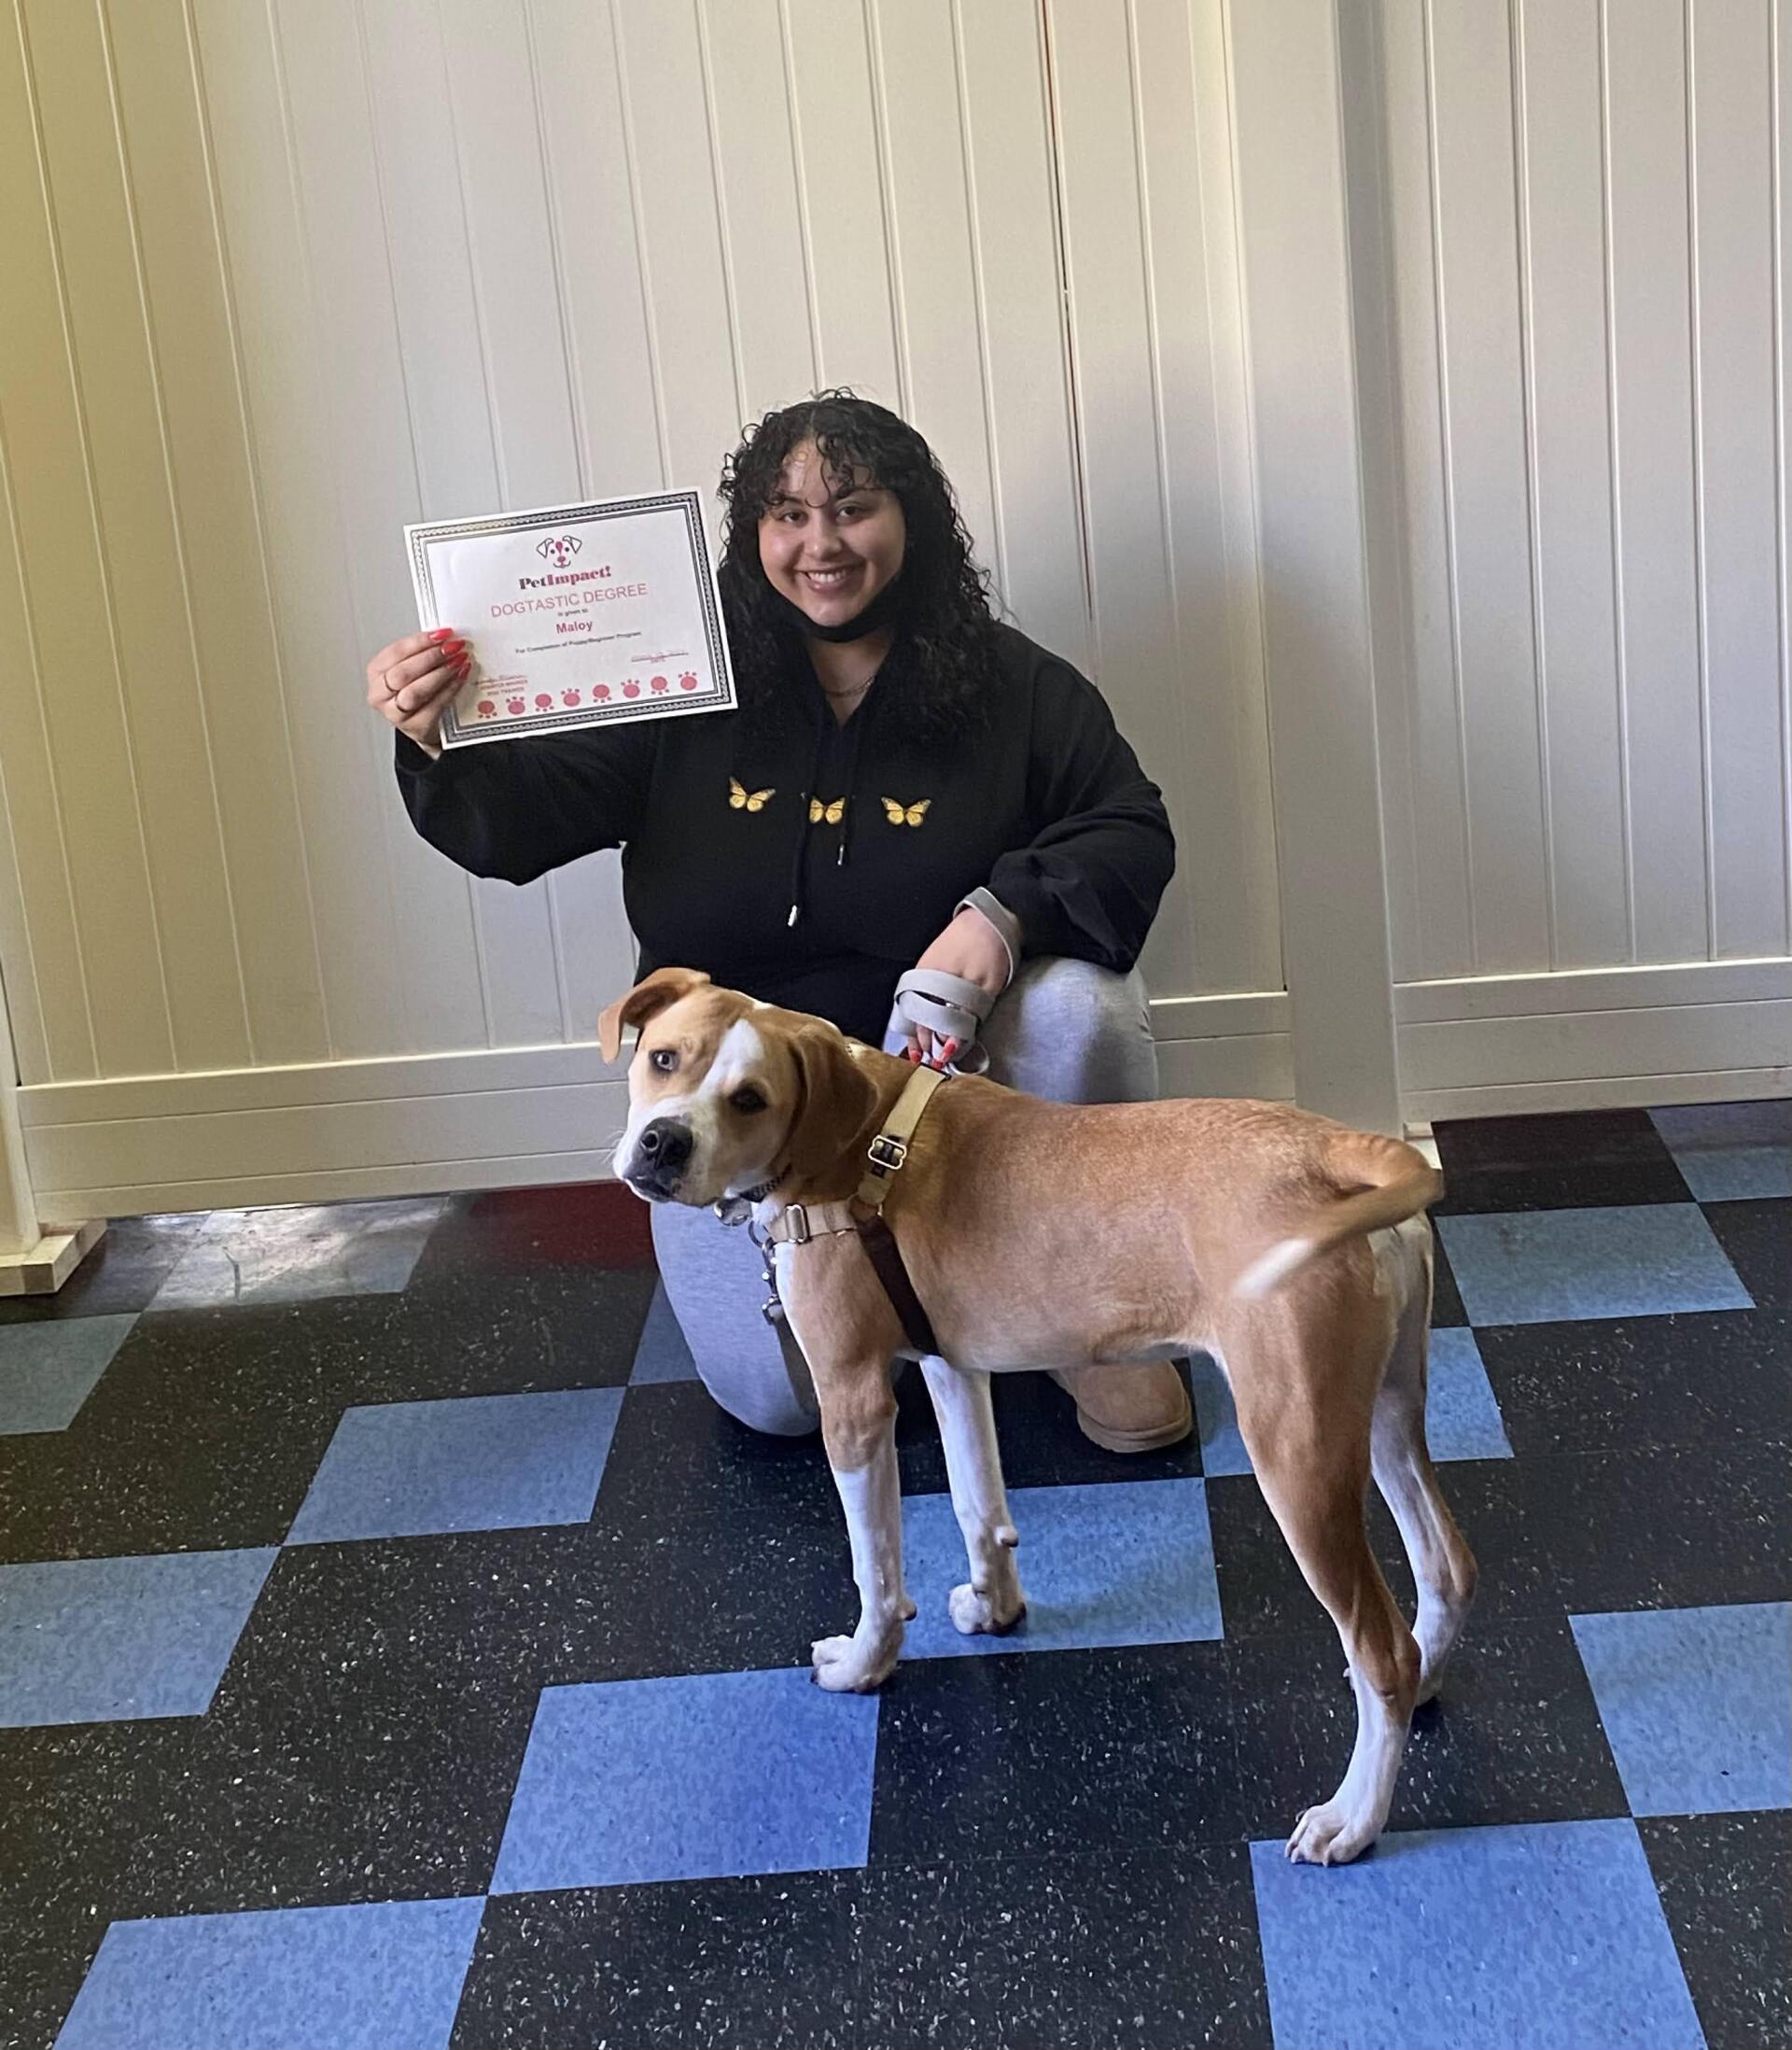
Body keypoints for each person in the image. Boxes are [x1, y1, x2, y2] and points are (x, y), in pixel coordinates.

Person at [367, 390, 1188, 1451]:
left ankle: (1092, 1311)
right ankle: (906, 1308)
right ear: (753, 532)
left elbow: (1129, 826)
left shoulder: (1015, 687)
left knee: (1086, 1005)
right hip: (739, 1106)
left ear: (913, 521)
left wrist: (1000, 913)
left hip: (941, 1081)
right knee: (779, 1408)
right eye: (788, 514)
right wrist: (440, 734)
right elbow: (522, 822)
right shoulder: (675, 681)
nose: (821, 544)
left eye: (851, 508)